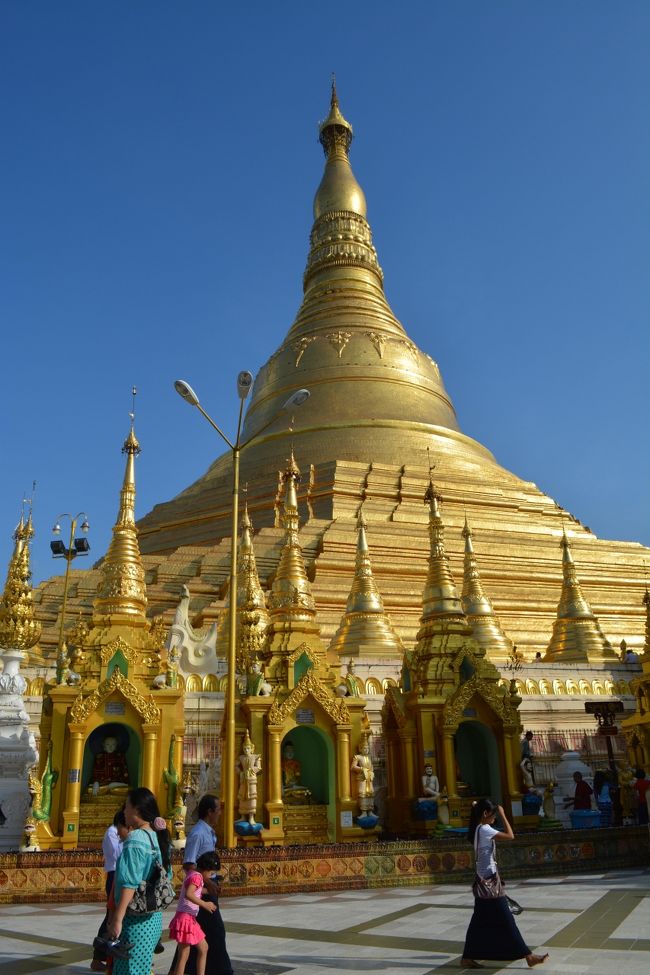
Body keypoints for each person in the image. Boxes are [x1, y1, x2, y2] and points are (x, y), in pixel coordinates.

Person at [461, 798, 548, 969]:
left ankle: (467, 957)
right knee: (507, 919)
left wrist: (480, 807)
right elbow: (510, 835)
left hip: (484, 882)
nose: (494, 819)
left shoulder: (478, 828)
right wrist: (502, 813)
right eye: (492, 816)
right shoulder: (485, 829)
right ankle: (528, 956)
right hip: (490, 885)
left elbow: (477, 809)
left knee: (478, 922)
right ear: (485, 814)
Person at [107, 787, 172, 975]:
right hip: (153, 917)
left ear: (136, 809)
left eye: (126, 806)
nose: (124, 811)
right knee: (142, 968)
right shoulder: (156, 837)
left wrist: (117, 919)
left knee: (130, 969)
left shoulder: (135, 839)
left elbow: (129, 883)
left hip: (134, 919)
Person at [168, 794, 233, 975]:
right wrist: (207, 882)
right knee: (216, 931)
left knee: (197, 936)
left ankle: (183, 970)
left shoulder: (208, 832)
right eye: (217, 810)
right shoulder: (198, 833)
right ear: (209, 812)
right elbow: (189, 864)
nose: (220, 813)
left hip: (205, 888)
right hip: (200, 891)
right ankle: (222, 971)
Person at [168, 851, 219, 975]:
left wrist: (208, 891)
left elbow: (194, 891)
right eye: (211, 873)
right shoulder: (197, 876)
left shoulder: (193, 873)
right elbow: (189, 894)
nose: (211, 876)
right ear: (206, 869)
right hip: (186, 919)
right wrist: (205, 904)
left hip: (188, 918)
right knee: (184, 955)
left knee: (203, 948)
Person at [91, 808, 129, 972]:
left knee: (118, 916)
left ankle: (112, 956)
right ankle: (98, 956)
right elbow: (117, 854)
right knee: (111, 915)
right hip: (115, 874)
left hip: (122, 874)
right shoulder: (112, 833)